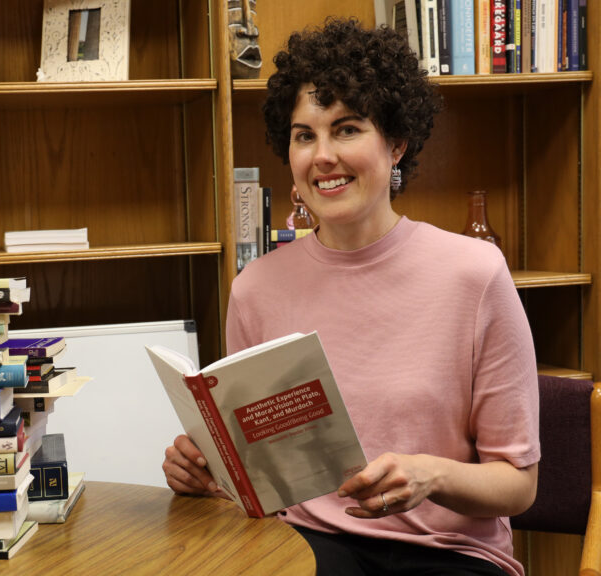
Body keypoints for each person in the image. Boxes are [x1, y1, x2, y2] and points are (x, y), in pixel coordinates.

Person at [162, 18, 539, 576]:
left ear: (397, 144)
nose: (322, 156)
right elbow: (258, 481)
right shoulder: (255, 289)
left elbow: (518, 486)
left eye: (347, 129)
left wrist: (430, 476)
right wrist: (204, 474)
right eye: (304, 135)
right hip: (306, 547)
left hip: (446, 555)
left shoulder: (475, 274)